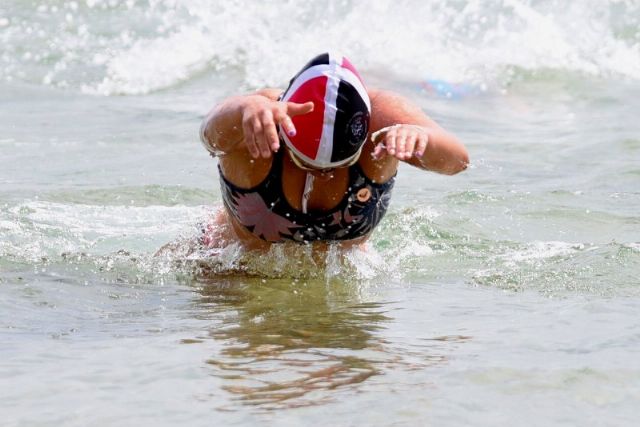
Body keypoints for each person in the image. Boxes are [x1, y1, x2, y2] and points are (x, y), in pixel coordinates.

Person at [199, 53, 469, 252]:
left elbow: (459, 162)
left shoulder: (383, 117)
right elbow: (209, 135)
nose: (323, 175)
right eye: (303, 162)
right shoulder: (258, 119)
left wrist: (425, 140)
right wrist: (244, 108)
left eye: (337, 165)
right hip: (229, 269)